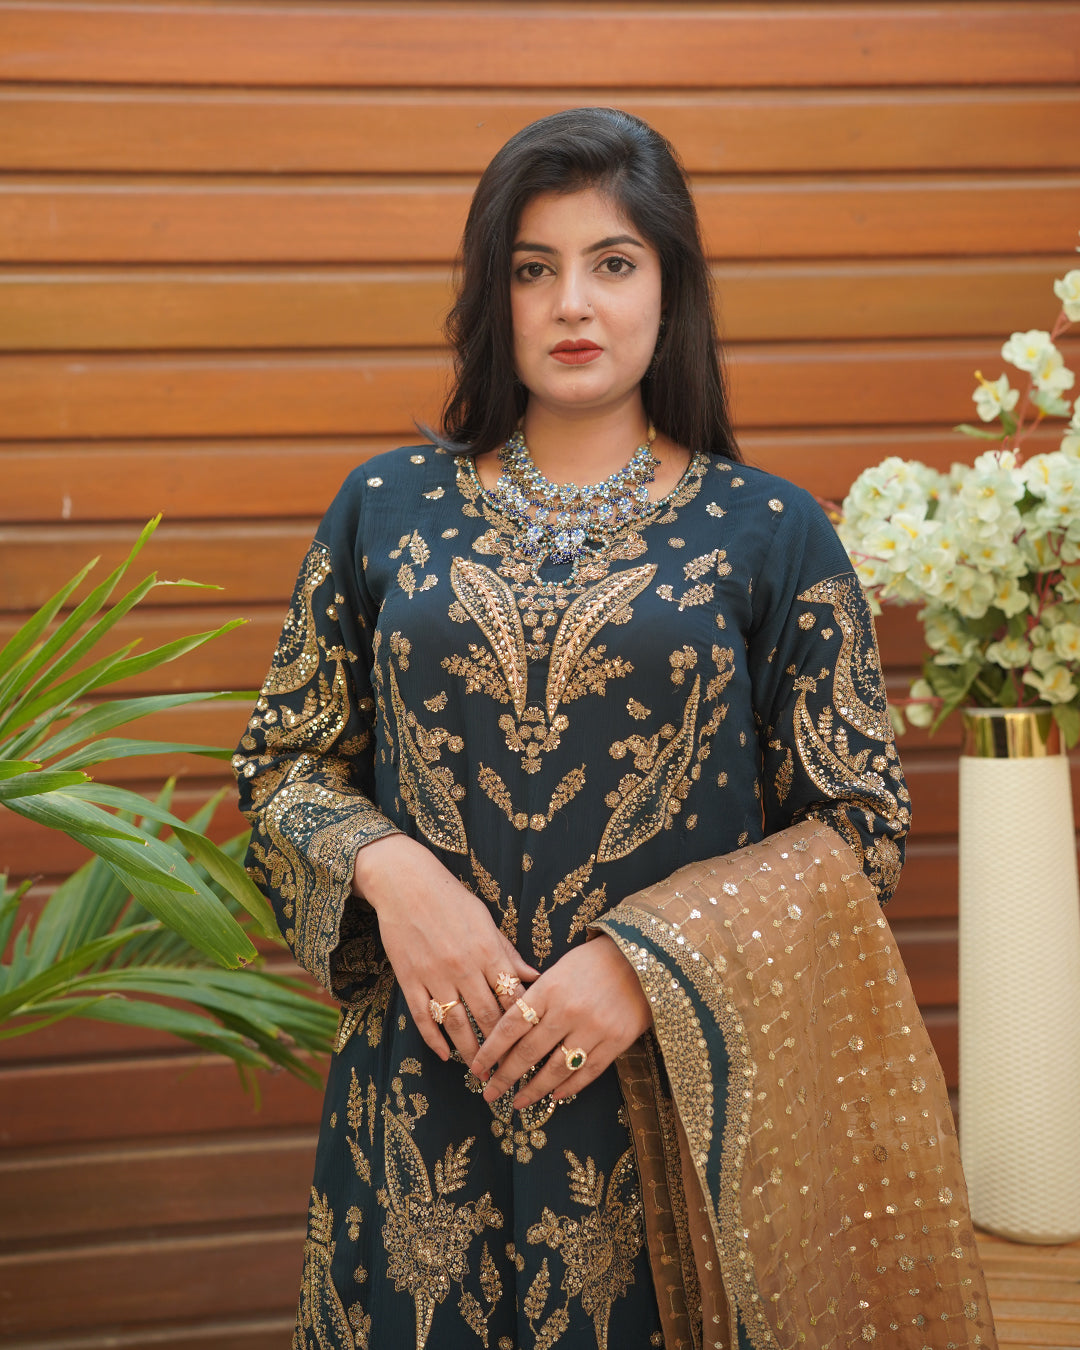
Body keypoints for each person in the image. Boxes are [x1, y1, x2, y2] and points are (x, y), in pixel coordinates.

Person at [234, 108, 996, 1350]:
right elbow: (283, 762)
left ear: (669, 287)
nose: (573, 303)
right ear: (492, 295)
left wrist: (649, 964)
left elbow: (858, 826)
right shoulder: (385, 507)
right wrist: (394, 874)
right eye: (534, 269)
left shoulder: (771, 533)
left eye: (614, 263)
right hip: (422, 1104)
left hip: (667, 1109)